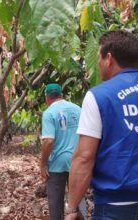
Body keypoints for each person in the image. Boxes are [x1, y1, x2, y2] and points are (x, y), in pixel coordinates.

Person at [65, 30, 138, 220]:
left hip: (115, 208)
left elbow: (84, 157)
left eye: (98, 57)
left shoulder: (99, 96)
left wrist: (72, 208)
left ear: (109, 58)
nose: (97, 64)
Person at [40, 83, 84, 220]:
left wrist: (42, 164)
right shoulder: (78, 109)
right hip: (77, 162)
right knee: (78, 201)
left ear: (47, 98)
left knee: (55, 204)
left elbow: (48, 141)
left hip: (56, 164)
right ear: (61, 95)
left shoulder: (49, 113)